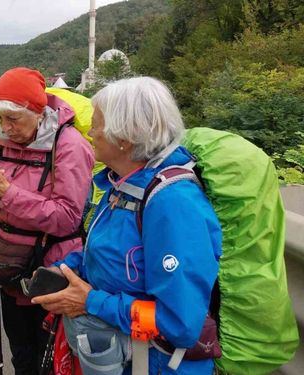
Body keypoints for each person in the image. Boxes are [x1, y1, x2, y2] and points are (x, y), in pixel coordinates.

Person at [33, 77, 222, 374]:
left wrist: (92, 302)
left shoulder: (172, 204)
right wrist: (66, 269)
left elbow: (179, 324)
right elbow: (106, 251)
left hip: (157, 365)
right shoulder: (122, 185)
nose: (90, 131)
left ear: (125, 137)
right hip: (127, 358)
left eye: (96, 124)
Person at [0, 67, 94, 375]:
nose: (6, 128)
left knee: (52, 358)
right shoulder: (2, 140)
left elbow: (66, 218)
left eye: (13, 119)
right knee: (21, 355)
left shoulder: (70, 145)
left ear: (37, 111)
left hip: (51, 270)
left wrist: (5, 192)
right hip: (9, 269)